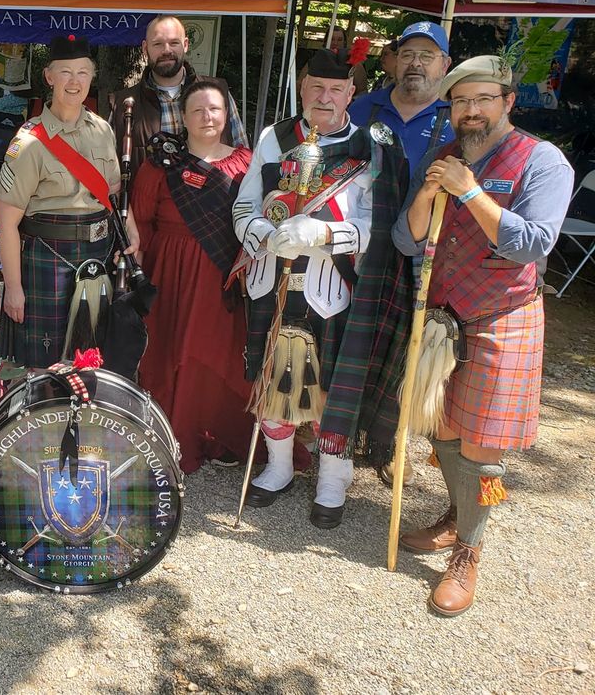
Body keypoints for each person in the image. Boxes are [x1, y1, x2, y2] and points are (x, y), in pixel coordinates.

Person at [393, 55, 572, 616]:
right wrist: (428, 194)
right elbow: (405, 239)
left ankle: (469, 550)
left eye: (483, 99)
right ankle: (456, 515)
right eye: (461, 102)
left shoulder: (544, 161)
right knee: (443, 432)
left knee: (482, 446)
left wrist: (470, 192)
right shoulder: (442, 154)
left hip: (504, 315)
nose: (470, 111)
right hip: (444, 318)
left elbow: (533, 244)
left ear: (508, 102)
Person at [233, 48, 410, 528]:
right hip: (272, 277)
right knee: (271, 375)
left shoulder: (373, 145)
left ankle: (334, 477)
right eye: (316, 88)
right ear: (303, 88)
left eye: (336, 90)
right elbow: (244, 205)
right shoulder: (274, 137)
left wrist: (326, 234)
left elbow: (381, 222)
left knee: (330, 384)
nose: (324, 98)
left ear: (352, 93)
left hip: (333, 285)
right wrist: (263, 235)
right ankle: (279, 466)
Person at [131, 77, 253, 473]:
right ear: (182, 116)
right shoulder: (160, 165)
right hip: (169, 271)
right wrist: (147, 274)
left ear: (226, 114)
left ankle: (215, 432)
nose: (206, 116)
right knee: (169, 348)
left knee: (217, 353)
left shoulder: (247, 163)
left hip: (222, 273)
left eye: (214, 109)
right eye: (197, 109)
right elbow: (142, 224)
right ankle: (169, 433)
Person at [0, 35, 138, 371]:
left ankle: (85, 425)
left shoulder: (103, 129)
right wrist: (14, 287)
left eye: (82, 72)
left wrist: (131, 232)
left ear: (92, 75)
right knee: (46, 368)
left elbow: (113, 193)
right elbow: (6, 223)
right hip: (47, 258)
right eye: (65, 72)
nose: (74, 82)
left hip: (98, 257)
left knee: (93, 363)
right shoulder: (28, 142)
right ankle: (47, 424)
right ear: (48, 76)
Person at [350, 21, 455, 176]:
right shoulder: (362, 107)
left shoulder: (457, 118)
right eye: (407, 55)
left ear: (445, 65)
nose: (415, 63)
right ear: (397, 60)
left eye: (426, 56)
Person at [111, 15, 202, 173]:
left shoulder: (218, 96)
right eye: (158, 44)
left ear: (186, 45)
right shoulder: (122, 104)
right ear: (145, 48)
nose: (166, 50)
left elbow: (241, 163)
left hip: (207, 197)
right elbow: (109, 169)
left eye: (174, 43)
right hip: (146, 197)